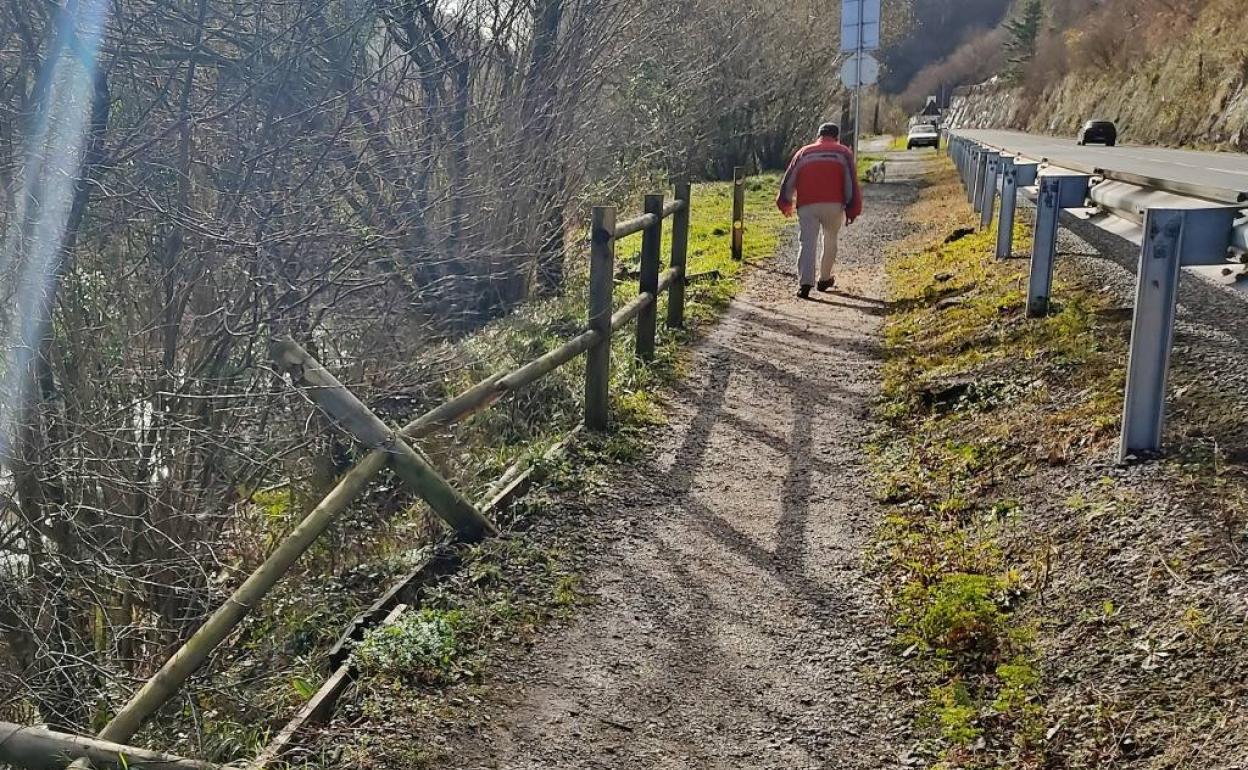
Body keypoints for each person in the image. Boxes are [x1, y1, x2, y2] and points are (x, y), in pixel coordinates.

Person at [775, 122, 863, 299]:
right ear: (836, 136)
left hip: (807, 204)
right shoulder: (843, 152)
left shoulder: (804, 152)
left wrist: (785, 200)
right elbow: (850, 181)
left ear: (818, 135)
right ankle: (824, 279)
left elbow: (789, 178)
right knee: (830, 240)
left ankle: (805, 284)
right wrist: (851, 205)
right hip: (834, 204)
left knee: (807, 242)